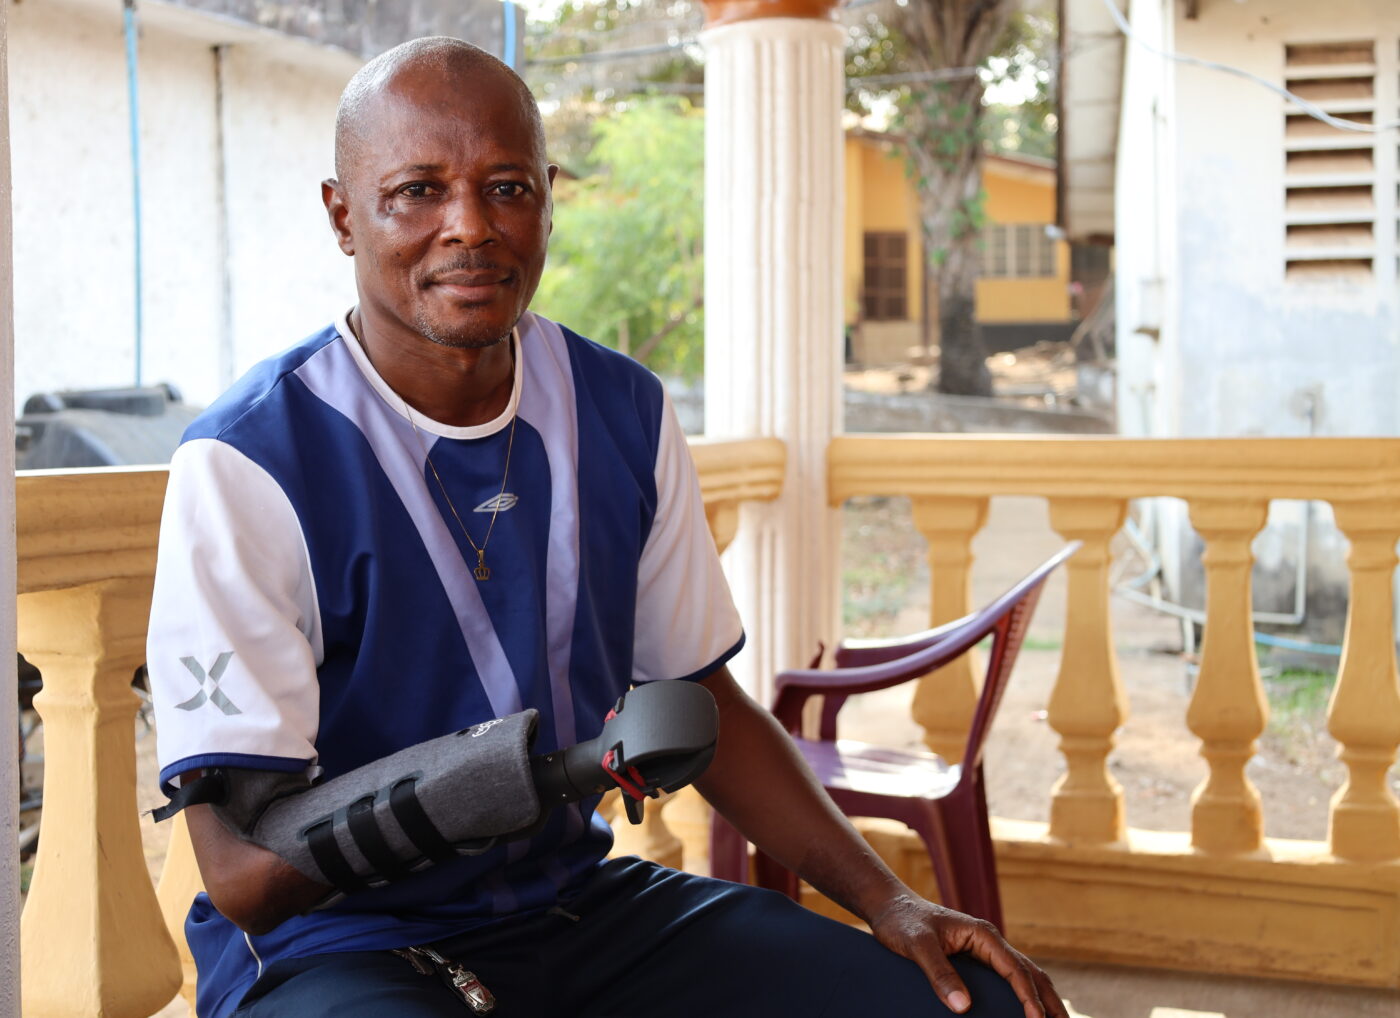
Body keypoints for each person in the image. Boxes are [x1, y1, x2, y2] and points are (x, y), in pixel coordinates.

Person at [147, 36, 1068, 1018]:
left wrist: (888, 899)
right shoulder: (250, 462)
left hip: (577, 909)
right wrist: (496, 782)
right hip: (341, 951)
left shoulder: (618, 407)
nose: (468, 226)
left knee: (976, 1005)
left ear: (547, 197)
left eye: (505, 187)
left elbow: (699, 697)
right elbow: (241, 875)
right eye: (415, 190)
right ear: (342, 214)